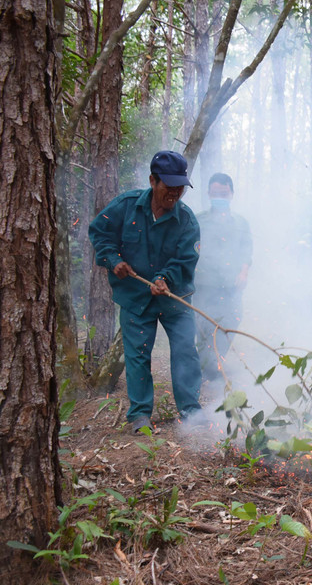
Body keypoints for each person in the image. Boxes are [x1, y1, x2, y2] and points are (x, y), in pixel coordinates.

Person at [89, 151, 203, 432]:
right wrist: (113, 260)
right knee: (138, 355)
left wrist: (166, 278)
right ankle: (139, 416)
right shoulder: (125, 206)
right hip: (136, 297)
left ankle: (191, 412)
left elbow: (186, 259)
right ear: (153, 181)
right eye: (169, 186)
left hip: (174, 299)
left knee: (186, 351)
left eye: (180, 188)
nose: (175, 193)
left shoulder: (187, 221)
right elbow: (99, 234)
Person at [193, 173, 252, 383]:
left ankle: (216, 361)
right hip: (204, 285)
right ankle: (204, 369)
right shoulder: (198, 220)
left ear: (231, 194)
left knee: (232, 321)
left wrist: (243, 271)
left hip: (232, 285)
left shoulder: (241, 223)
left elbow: (247, 250)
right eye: (216, 193)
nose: (219, 197)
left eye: (224, 193)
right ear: (209, 193)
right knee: (203, 326)